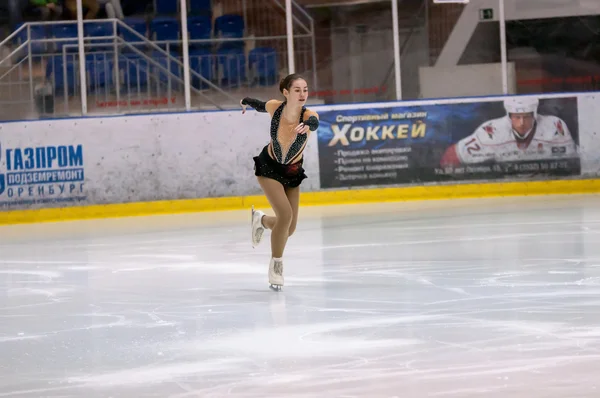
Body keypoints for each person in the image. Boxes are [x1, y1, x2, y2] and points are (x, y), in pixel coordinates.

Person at [240, 73, 319, 290]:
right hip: (269, 167)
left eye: (305, 89)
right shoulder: (276, 107)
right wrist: (246, 101)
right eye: (297, 90)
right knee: (285, 216)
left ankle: (262, 220)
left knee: (289, 228)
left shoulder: (308, 115)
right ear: (286, 92)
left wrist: (309, 125)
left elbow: (314, 122)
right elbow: (260, 105)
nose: (303, 94)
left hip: (292, 172)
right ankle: (276, 266)